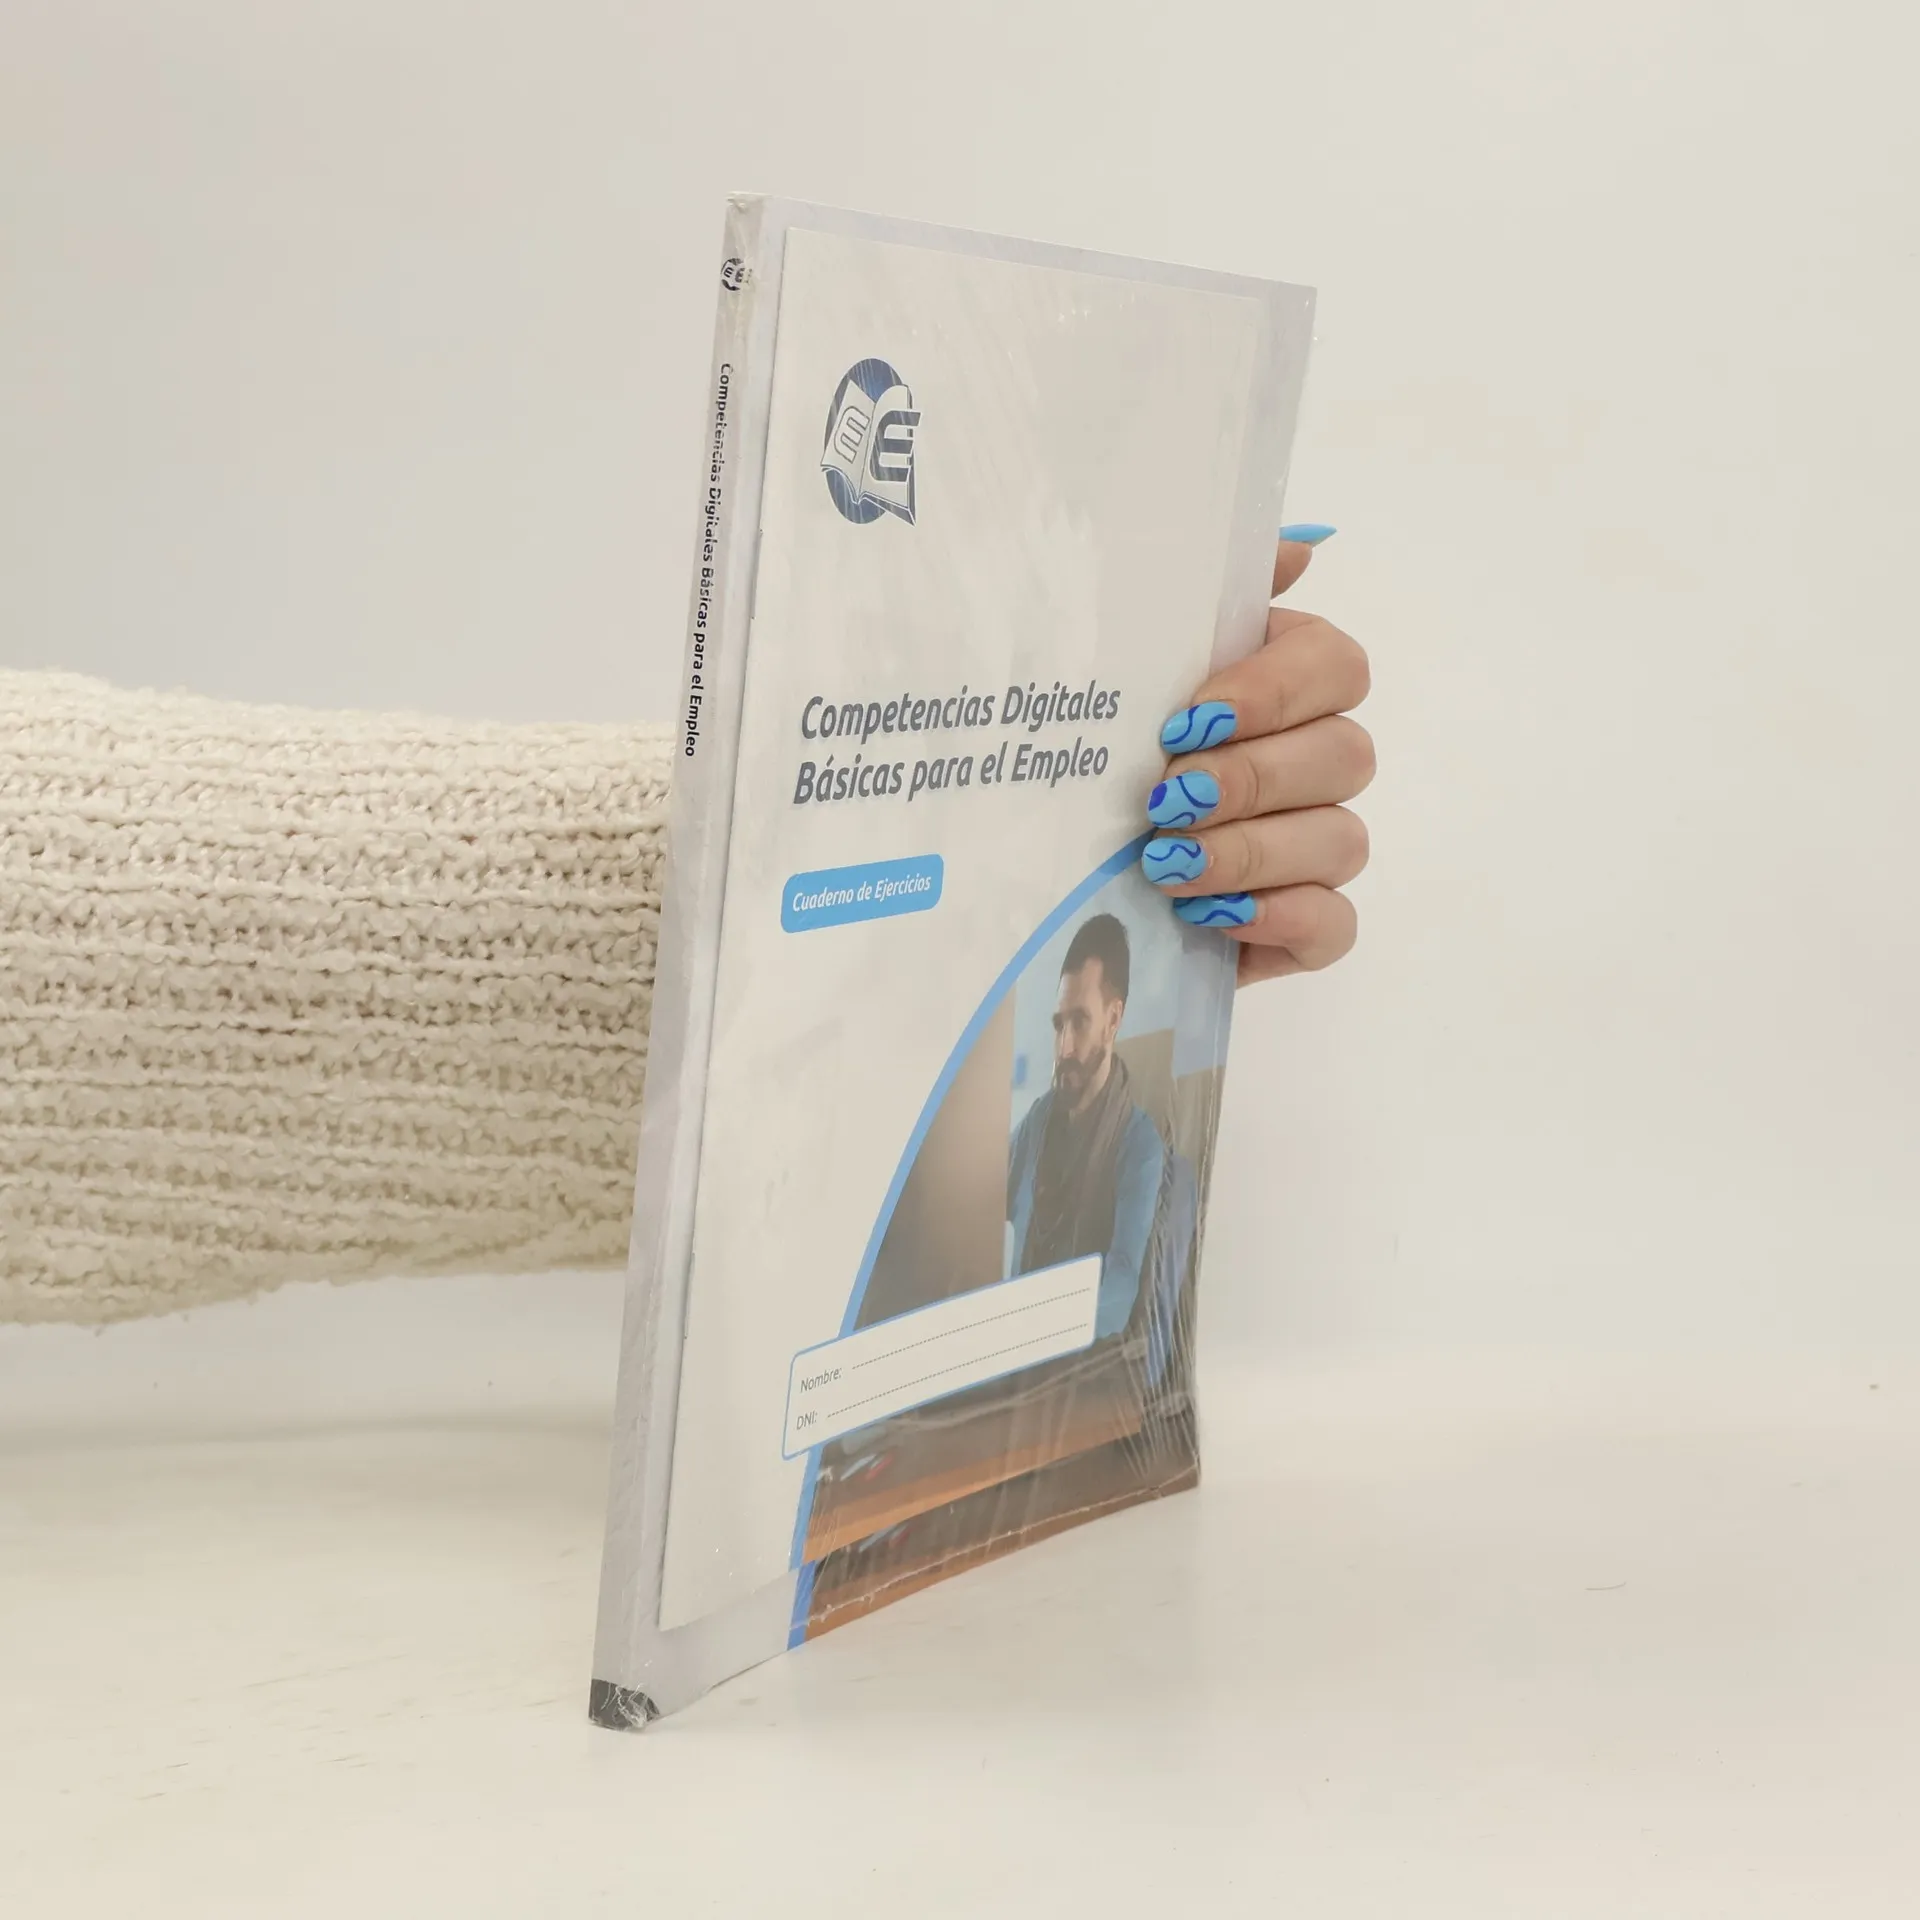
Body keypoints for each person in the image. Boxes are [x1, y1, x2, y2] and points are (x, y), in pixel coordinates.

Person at [0, 529, 1371, 1325]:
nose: (1062, 1040)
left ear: (1114, 1016)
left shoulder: (1125, 1148)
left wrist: (937, 869)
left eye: (1075, 1018)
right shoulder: (1039, 1132)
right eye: (1058, 1016)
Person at [1006, 914, 1165, 1340]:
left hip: (1075, 1361)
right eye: (1060, 1025)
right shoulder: (1036, 1124)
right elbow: (977, 1198)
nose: (1065, 1048)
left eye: (1079, 1022)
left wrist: (1036, 1331)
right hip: (1012, 1348)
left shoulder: (1140, 1148)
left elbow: (1121, 1286)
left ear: (1113, 1019)